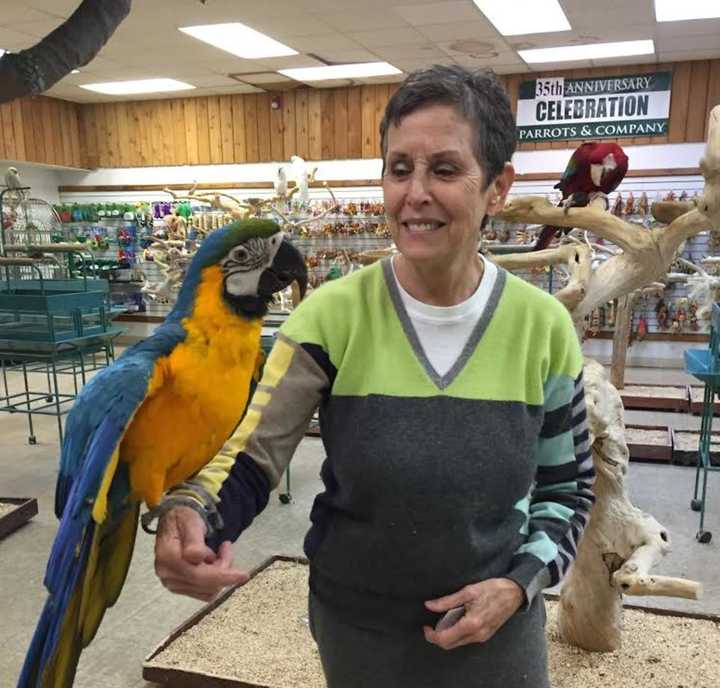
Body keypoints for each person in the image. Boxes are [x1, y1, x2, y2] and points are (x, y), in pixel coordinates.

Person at [152, 64, 595, 688]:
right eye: (398, 168)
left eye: (444, 169)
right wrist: (193, 516)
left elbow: (567, 489)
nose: (415, 193)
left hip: (499, 635)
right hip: (358, 630)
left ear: (497, 187)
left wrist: (517, 585)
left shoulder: (543, 329)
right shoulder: (330, 317)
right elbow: (253, 454)